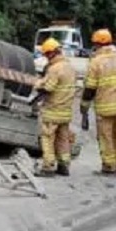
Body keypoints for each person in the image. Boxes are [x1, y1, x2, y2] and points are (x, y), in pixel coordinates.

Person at [80, 28, 116, 176]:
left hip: (104, 108)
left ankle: (109, 166)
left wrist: (84, 107)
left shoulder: (96, 62)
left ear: (97, 45)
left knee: (106, 138)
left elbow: (90, 88)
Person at [33, 37, 77, 176]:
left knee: (47, 138)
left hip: (53, 111)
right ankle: (64, 165)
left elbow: (49, 88)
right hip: (66, 111)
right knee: (63, 139)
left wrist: (38, 84)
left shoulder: (54, 68)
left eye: (46, 54)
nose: (46, 57)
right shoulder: (70, 67)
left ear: (51, 53)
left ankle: (48, 167)